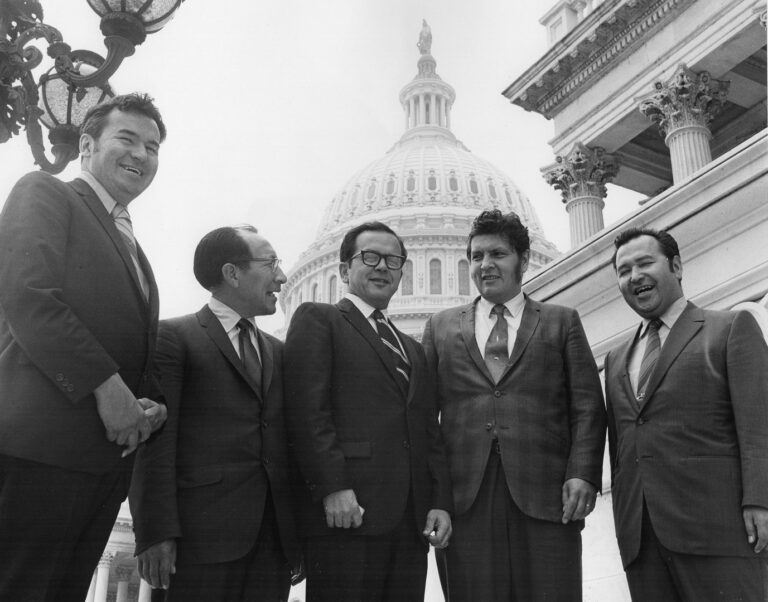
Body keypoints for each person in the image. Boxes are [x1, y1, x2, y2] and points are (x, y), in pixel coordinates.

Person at [0, 93, 167, 601]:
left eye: (153, 146)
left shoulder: (133, 245)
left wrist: (148, 402)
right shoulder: (46, 192)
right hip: (40, 451)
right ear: (87, 144)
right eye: (127, 138)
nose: (141, 154)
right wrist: (104, 387)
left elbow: (131, 339)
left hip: (101, 463)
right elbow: (28, 295)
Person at [422, 209, 606, 601]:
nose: (485, 265)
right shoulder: (440, 327)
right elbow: (424, 420)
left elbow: (588, 405)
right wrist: (436, 497)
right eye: (476, 257)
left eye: (497, 255)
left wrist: (584, 474)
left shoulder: (561, 321)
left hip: (548, 497)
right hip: (466, 501)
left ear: (522, 260)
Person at [129, 225, 301, 601]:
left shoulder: (279, 352)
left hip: (270, 545)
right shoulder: (175, 337)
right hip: (198, 541)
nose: (282, 276)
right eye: (271, 262)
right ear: (232, 273)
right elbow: (156, 443)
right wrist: (155, 532)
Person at [284, 221, 453, 602]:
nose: (382, 267)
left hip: (409, 524)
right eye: (370, 257)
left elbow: (428, 431)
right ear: (344, 270)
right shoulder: (319, 319)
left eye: (393, 261)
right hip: (347, 513)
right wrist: (332, 487)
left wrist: (439, 501)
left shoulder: (412, 349)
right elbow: (307, 412)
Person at [605, 226, 768, 600]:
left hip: (720, 532)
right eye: (623, 270)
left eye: (645, 263)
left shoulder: (728, 328)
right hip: (643, 543)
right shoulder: (615, 359)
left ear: (676, 266)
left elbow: (759, 424)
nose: (635, 276)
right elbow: (621, 451)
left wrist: (761, 501)